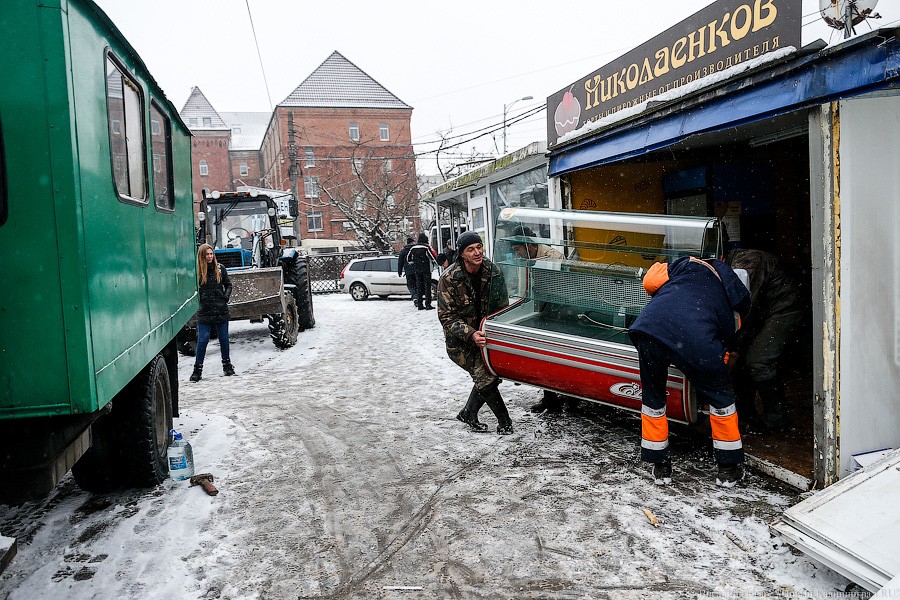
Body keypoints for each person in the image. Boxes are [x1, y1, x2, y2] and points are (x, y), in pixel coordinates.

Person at [628, 255, 750, 487]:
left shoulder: (686, 264)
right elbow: (727, 341)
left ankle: (660, 466)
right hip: (696, 339)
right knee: (720, 397)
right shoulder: (727, 298)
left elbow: (649, 282)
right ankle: (728, 468)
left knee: (653, 397)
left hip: (650, 330)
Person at [438, 231, 514, 435]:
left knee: (492, 375)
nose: (477, 252)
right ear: (462, 254)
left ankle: (468, 412)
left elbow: (502, 307)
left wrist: (497, 330)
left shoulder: (493, 271)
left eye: (479, 247)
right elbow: (447, 317)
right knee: (486, 378)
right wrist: (471, 334)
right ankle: (505, 422)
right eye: (470, 249)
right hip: (460, 342)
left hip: (487, 336)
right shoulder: (449, 278)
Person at [724, 245, 804, 433]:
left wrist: (732, 343)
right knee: (743, 362)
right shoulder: (731, 264)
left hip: (785, 307)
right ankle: (746, 415)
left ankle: (776, 421)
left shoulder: (746, 263)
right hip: (765, 310)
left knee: (759, 361)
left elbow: (745, 307)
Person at [190, 244, 235, 382]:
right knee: (203, 339)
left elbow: (228, 284)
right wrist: (199, 301)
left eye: (211, 254)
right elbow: (192, 290)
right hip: (205, 311)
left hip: (220, 309)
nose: (209, 257)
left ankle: (227, 365)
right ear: (202, 256)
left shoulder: (220, 269)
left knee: (224, 339)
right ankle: (197, 370)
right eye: (207, 255)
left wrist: (225, 297)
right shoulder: (197, 272)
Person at [408, 232, 436, 310]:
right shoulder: (426, 248)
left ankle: (420, 304)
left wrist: (415, 264)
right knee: (427, 287)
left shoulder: (413, 248)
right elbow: (433, 258)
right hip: (426, 270)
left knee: (419, 287)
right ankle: (428, 304)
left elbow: (408, 259)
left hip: (417, 270)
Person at [397, 236, 417, 304]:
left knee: (411, 285)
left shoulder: (403, 251)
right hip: (417, 270)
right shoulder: (415, 249)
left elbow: (400, 262)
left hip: (408, 272)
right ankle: (418, 297)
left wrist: (399, 272)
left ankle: (415, 297)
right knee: (418, 284)